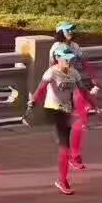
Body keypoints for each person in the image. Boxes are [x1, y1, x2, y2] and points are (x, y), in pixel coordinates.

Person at [28, 45, 96, 195]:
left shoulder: (74, 73)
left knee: (65, 146)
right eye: (65, 59)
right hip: (52, 109)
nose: (69, 62)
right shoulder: (51, 72)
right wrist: (33, 100)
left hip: (66, 109)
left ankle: (62, 177)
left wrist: (94, 105)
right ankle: (63, 179)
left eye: (70, 59)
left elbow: (83, 90)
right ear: (57, 58)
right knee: (64, 147)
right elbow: (41, 89)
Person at [49, 22, 93, 170]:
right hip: (61, 87)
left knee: (79, 119)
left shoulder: (75, 46)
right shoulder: (56, 47)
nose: (71, 32)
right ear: (60, 32)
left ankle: (75, 154)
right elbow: (51, 67)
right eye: (67, 30)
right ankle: (67, 151)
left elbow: (84, 62)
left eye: (71, 30)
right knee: (64, 122)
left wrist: (93, 77)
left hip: (73, 84)